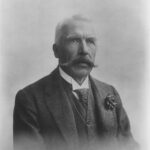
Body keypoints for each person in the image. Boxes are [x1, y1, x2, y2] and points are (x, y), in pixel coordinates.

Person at [13, 15, 138, 150]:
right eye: (74, 40)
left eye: (90, 41)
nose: (84, 50)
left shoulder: (109, 92)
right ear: (56, 50)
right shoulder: (30, 99)